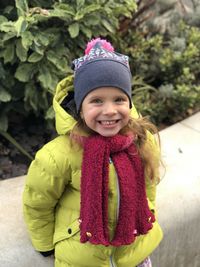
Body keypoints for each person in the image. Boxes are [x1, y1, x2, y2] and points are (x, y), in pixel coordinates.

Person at [23, 38, 163, 267]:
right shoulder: (58, 155)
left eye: (119, 99)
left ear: (129, 102)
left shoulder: (139, 140)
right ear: (80, 107)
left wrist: (148, 211)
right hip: (82, 256)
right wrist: (44, 243)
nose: (109, 110)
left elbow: (149, 184)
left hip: (135, 250)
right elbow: (38, 202)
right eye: (96, 101)